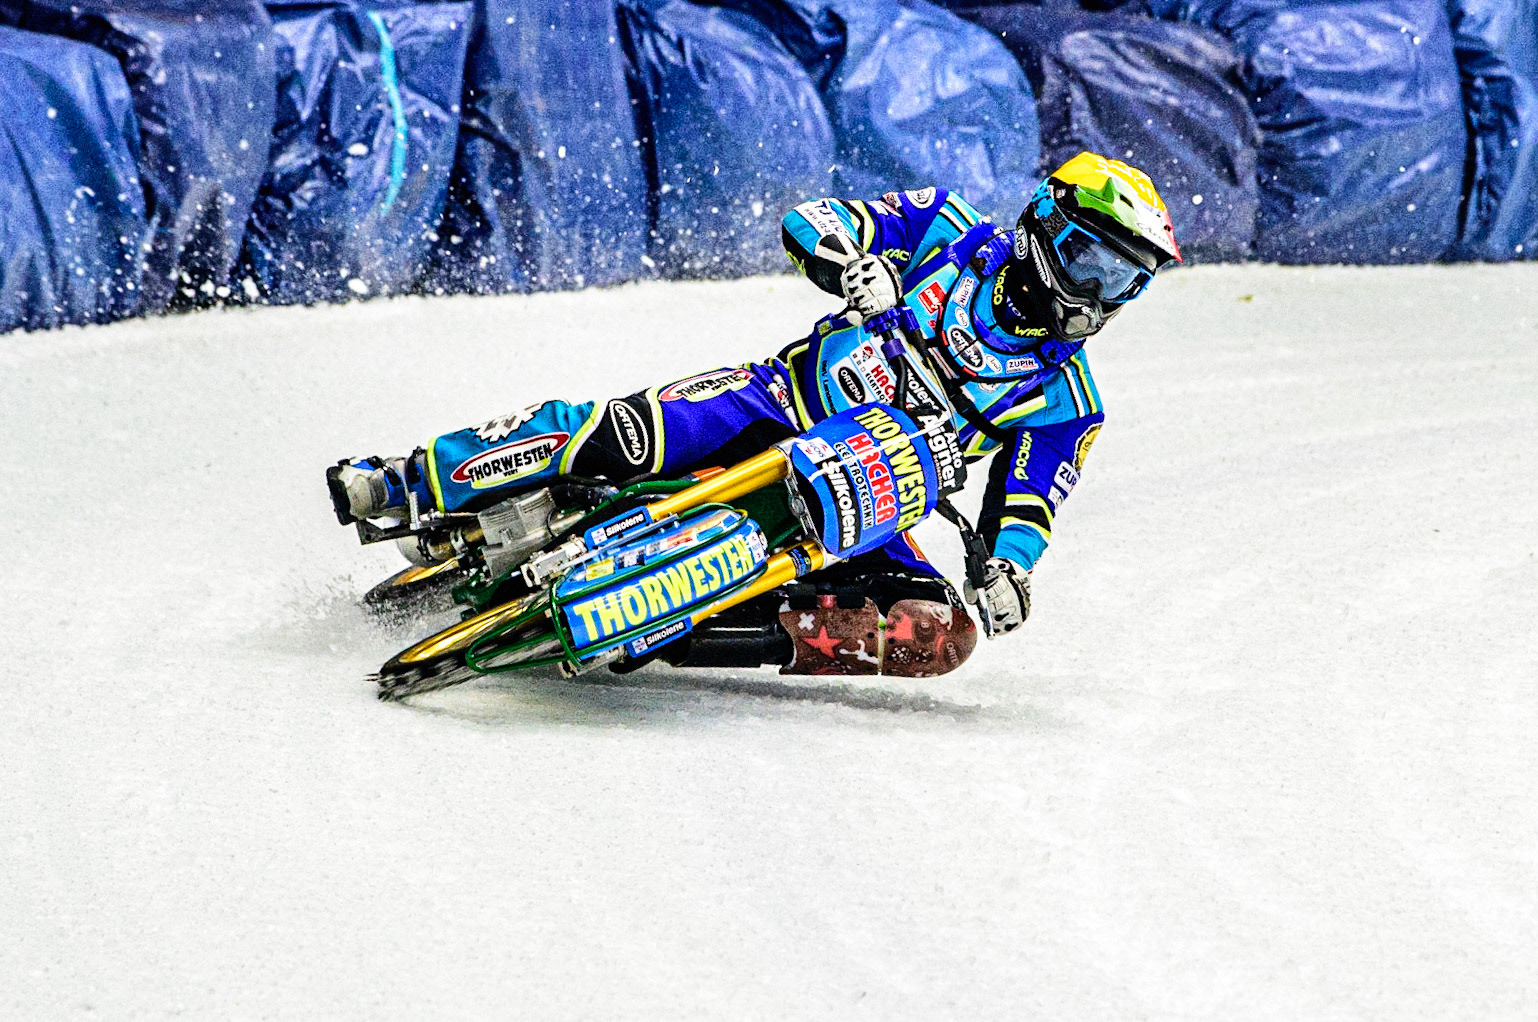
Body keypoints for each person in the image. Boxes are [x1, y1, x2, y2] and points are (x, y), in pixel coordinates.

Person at [328, 151, 1181, 676]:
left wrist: (1009, 574)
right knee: (623, 435)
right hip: (776, 401)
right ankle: (408, 480)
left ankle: (684, 631)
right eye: (1091, 262)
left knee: (936, 634)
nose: (1096, 295)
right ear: (1043, 225)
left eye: (1123, 282)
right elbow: (815, 218)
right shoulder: (946, 229)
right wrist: (850, 262)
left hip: (869, 501)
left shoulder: (1069, 401)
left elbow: (1029, 504)